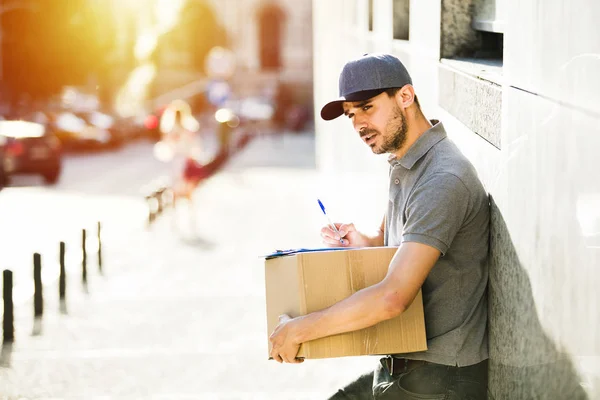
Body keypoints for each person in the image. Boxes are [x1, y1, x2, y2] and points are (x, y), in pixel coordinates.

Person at [268, 53, 490, 399]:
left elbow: (392, 297)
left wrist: (301, 330)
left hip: (442, 379)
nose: (358, 125)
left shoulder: (442, 179)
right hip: (403, 362)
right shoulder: (406, 162)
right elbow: (399, 249)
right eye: (351, 115)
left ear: (405, 96)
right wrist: (363, 242)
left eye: (367, 108)